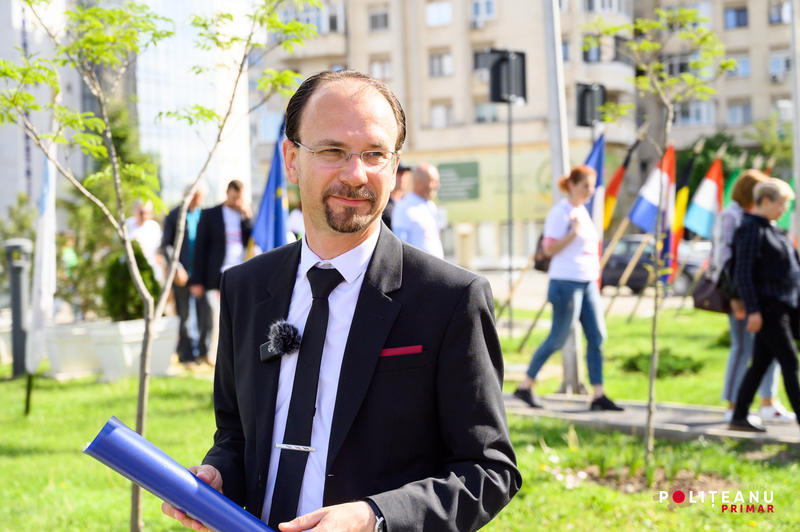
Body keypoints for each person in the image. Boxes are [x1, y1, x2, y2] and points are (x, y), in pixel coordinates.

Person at [162, 70, 520, 532]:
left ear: (394, 165)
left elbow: (489, 471)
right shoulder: (244, 289)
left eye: (375, 154)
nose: (355, 174)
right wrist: (218, 475)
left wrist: (375, 517)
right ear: (292, 160)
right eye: (332, 151)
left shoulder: (451, 300)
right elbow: (235, 434)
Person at [513, 165, 623, 412]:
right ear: (572, 185)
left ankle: (598, 395)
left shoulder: (582, 211)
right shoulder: (560, 213)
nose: (590, 191)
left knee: (597, 336)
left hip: (587, 282)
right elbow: (548, 250)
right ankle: (525, 385)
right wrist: (573, 233)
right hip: (565, 283)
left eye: (592, 187)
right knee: (558, 338)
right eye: (586, 186)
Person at [709, 170, 793, 423]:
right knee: (743, 349)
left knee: (766, 354)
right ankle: (733, 405)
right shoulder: (734, 217)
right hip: (742, 296)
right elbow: (726, 261)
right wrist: (736, 299)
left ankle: (766, 402)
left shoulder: (764, 220)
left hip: (766, 298)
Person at [730, 178, 800, 432]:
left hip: (783, 306)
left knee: (760, 363)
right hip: (768, 308)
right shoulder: (751, 229)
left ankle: (739, 416)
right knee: (790, 362)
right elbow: (743, 274)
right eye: (781, 204)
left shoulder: (772, 229)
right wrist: (753, 309)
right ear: (766, 201)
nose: (784, 210)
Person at [189, 179, 253, 363]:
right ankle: (205, 351)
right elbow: (199, 249)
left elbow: (252, 240)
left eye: (239, 198)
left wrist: (247, 217)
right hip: (215, 273)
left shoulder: (244, 215)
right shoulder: (210, 214)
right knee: (210, 313)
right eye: (234, 198)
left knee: (238, 315)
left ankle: (235, 352)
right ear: (227, 194)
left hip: (239, 271)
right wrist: (196, 280)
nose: (236, 202)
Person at [160, 183, 211, 365]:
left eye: (201, 196)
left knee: (206, 311)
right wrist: (176, 267)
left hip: (200, 274)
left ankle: (203, 352)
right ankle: (186, 355)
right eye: (196, 196)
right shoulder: (174, 215)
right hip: (181, 273)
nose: (199, 200)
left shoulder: (204, 215)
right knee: (185, 316)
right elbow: (166, 245)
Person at [391, 162, 444, 258]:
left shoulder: (431, 206)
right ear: (419, 183)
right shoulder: (404, 208)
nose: (437, 185)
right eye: (433, 181)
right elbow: (401, 248)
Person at [125, 199, 163, 282]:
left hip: (151, 267)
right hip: (130, 268)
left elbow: (160, 247)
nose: (144, 216)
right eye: (141, 212)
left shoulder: (154, 226)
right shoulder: (126, 225)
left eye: (148, 213)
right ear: (134, 211)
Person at [380, 161, 411, 229]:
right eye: (399, 174)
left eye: (404, 174)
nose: (402, 178)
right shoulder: (383, 203)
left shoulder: (409, 201)